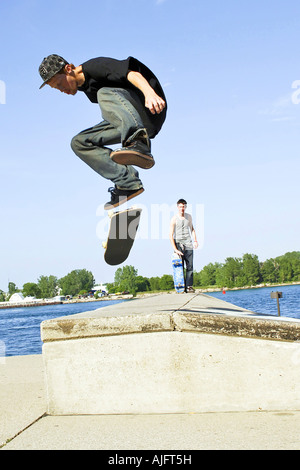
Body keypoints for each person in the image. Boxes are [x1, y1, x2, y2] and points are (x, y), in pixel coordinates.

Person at [38, 54, 167, 209]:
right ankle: (128, 183)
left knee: (103, 93)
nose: (61, 90)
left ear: (68, 69)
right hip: (133, 117)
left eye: (59, 83)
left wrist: (150, 93)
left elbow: (133, 74)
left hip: (149, 108)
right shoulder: (86, 88)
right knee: (79, 142)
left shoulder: (95, 67)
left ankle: (138, 142)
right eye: (56, 88)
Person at [169, 199, 198, 293]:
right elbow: (170, 235)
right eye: (180, 206)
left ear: (186, 207)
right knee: (180, 267)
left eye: (184, 206)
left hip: (188, 243)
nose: (182, 208)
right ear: (178, 207)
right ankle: (181, 287)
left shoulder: (189, 217)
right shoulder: (174, 219)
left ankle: (189, 287)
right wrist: (175, 249)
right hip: (179, 244)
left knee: (190, 266)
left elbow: (192, 229)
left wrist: (195, 241)